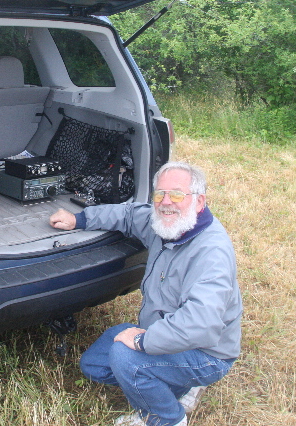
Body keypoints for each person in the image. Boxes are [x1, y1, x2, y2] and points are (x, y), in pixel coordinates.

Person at [49, 162, 242, 426]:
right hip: (165, 332)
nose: (165, 202)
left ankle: (167, 418)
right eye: (159, 194)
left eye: (176, 194)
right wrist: (79, 219)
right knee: (94, 365)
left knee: (125, 358)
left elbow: (201, 326)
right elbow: (128, 215)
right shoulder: (165, 224)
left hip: (206, 352)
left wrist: (143, 342)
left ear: (199, 201)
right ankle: (178, 384)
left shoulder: (211, 252)